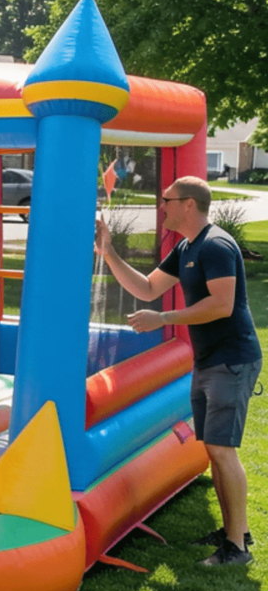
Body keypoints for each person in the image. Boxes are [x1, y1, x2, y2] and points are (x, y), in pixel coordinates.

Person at [95, 176, 260, 566]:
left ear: (188, 204)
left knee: (222, 449)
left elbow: (222, 304)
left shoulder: (215, 245)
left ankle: (237, 548)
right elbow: (148, 288)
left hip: (230, 358)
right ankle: (233, 531)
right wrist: (109, 252)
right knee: (215, 448)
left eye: (166, 200)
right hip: (210, 359)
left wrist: (164, 318)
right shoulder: (187, 246)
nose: (161, 206)